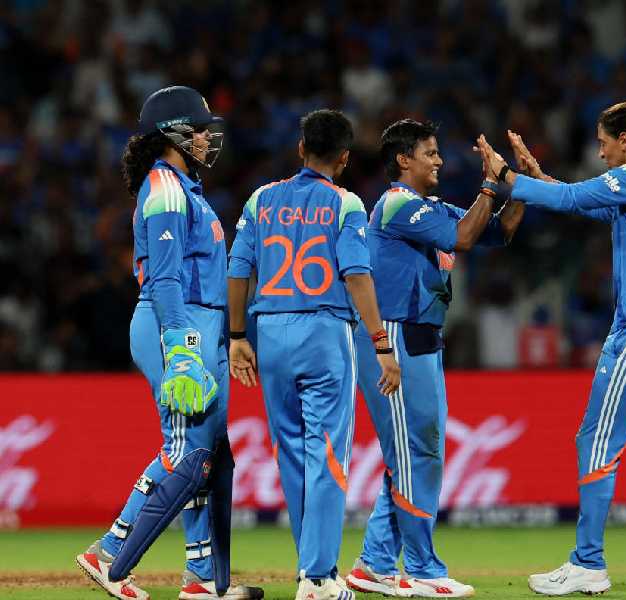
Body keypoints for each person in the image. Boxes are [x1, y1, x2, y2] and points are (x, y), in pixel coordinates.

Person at [478, 101, 626, 597]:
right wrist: (537, 177)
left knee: (597, 438)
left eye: (604, 143)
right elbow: (582, 201)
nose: (601, 153)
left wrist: (506, 177)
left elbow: (573, 197)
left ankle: (588, 563)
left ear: (625, 141)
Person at [75, 86, 262, 600]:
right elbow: (164, 279)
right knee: (186, 450)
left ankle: (200, 577)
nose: (206, 137)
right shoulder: (165, 189)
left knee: (207, 453)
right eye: (198, 129)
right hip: (174, 324)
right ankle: (108, 551)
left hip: (202, 326)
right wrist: (180, 348)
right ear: (173, 133)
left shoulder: (184, 188)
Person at [344, 119, 525, 598]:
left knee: (414, 454)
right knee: (415, 455)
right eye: (430, 152)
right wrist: (490, 184)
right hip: (395, 336)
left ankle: (374, 563)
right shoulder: (398, 204)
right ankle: (423, 568)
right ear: (404, 160)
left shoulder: (430, 208)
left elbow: (496, 232)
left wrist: (520, 185)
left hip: (422, 337)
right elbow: (463, 238)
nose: (440, 160)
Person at [227, 109, 400, 600]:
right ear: (344, 159)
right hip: (324, 333)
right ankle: (319, 577)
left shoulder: (261, 199)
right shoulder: (345, 203)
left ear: (301, 148)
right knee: (326, 453)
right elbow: (356, 275)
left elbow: (238, 269)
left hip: (270, 332)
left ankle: (311, 569)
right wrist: (381, 343)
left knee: (290, 454)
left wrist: (237, 336)